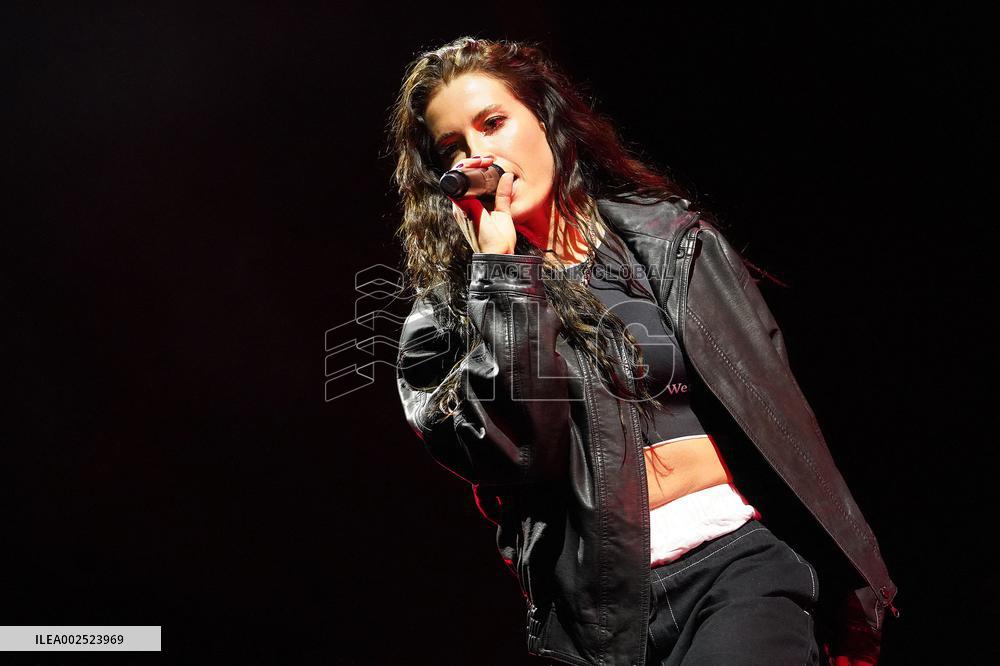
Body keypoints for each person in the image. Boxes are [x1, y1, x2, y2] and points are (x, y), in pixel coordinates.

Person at [389, 36, 899, 665]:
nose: (480, 156)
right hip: (599, 623)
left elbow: (779, 413)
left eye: (493, 123)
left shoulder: (670, 243)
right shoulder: (448, 314)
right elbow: (522, 447)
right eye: (454, 150)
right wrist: (500, 272)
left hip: (739, 566)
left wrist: (850, 581)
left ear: (544, 120)